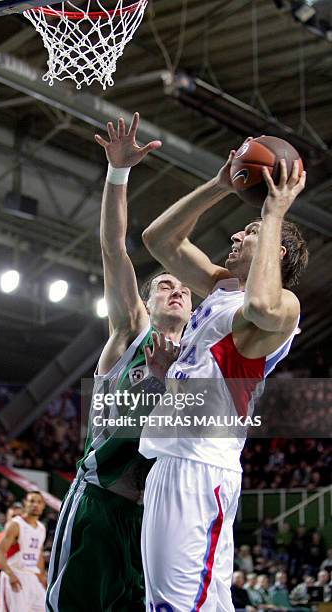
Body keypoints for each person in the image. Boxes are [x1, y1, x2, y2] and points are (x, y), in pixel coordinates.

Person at [139, 143, 309, 611]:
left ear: (275, 250)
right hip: (172, 461)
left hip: (201, 468)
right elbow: (158, 240)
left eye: (250, 232)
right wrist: (217, 185)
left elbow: (262, 304)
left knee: (178, 607)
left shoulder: (284, 307)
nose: (236, 234)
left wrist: (273, 211)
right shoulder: (219, 287)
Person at [46, 113, 192, 612]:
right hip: (99, 505)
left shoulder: (195, 363)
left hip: (151, 521)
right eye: (165, 285)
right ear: (147, 303)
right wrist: (118, 174)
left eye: (183, 288)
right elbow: (113, 249)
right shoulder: (132, 331)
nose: (176, 288)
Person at [0, 490, 46, 612]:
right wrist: (10, 574)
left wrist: (41, 578)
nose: (35, 505)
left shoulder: (41, 528)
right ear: (25, 503)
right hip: (15, 574)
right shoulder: (16, 524)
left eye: (39, 502)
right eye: (32, 501)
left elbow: (38, 555)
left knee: (47, 608)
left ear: (43, 506)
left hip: (32, 576)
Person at [0, 502, 23, 607]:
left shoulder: (33, 534)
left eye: (19, 516)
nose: (16, 520)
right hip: (11, 584)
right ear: (7, 519)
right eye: (13, 516)